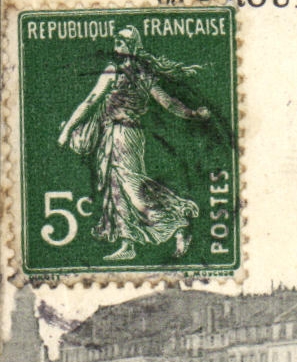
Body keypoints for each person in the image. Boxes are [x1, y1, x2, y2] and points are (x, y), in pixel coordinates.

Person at [57, 26, 212, 261]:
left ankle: (178, 223)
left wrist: (67, 130)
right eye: (117, 40)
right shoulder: (143, 74)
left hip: (122, 135)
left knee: (132, 189)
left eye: (121, 41)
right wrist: (192, 114)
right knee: (117, 189)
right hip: (121, 134)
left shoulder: (117, 71)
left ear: (130, 46)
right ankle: (127, 244)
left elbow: (90, 102)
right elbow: (169, 103)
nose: (116, 45)